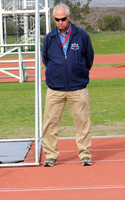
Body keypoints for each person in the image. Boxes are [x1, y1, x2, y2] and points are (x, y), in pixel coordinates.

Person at [41, 3, 94, 167]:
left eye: (63, 19)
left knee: (82, 122)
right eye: (57, 19)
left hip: (77, 88)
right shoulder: (49, 38)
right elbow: (45, 59)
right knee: (50, 123)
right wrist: (55, 73)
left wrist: (80, 72)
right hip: (55, 89)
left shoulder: (81, 35)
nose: (60, 22)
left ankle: (85, 154)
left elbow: (89, 57)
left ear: (69, 17)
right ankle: (50, 155)